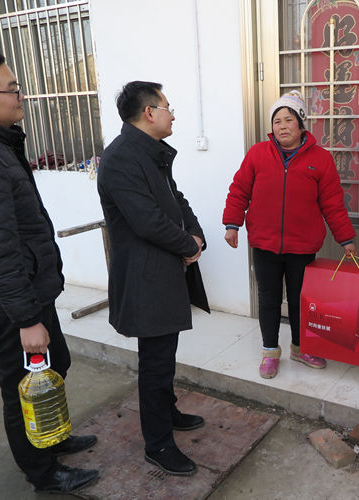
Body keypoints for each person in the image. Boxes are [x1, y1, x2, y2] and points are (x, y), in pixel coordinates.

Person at [0, 46, 98, 494]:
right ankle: (42, 472)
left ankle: (54, 439)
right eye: (12, 89)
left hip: (27, 292)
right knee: (22, 385)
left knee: (56, 363)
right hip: (9, 305)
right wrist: (27, 319)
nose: (20, 95)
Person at [97, 81, 209, 477]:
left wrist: (196, 236)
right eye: (167, 107)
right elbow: (147, 221)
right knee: (155, 362)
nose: (172, 114)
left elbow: (176, 200)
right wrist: (187, 245)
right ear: (149, 113)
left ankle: (168, 411)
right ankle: (158, 444)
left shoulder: (150, 152)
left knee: (164, 355)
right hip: (146, 277)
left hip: (164, 270)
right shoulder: (121, 158)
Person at [222, 90, 356, 379]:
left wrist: (346, 239)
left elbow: (332, 203)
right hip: (264, 244)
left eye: (288, 119)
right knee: (269, 300)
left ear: (301, 124)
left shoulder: (320, 159)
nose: (282, 126)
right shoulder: (258, 153)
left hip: (302, 246)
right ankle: (270, 351)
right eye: (277, 121)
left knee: (300, 301)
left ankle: (300, 348)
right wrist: (232, 224)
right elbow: (239, 190)